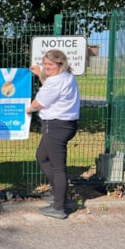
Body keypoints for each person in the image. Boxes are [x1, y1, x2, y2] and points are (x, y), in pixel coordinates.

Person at [25, 49, 80, 219]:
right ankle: (58, 194)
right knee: (42, 156)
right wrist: (41, 75)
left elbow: (40, 101)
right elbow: (52, 92)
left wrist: (29, 109)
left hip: (55, 126)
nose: (46, 67)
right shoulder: (68, 77)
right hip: (67, 124)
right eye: (45, 64)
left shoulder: (54, 82)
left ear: (60, 64)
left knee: (58, 167)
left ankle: (59, 207)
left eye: (50, 64)